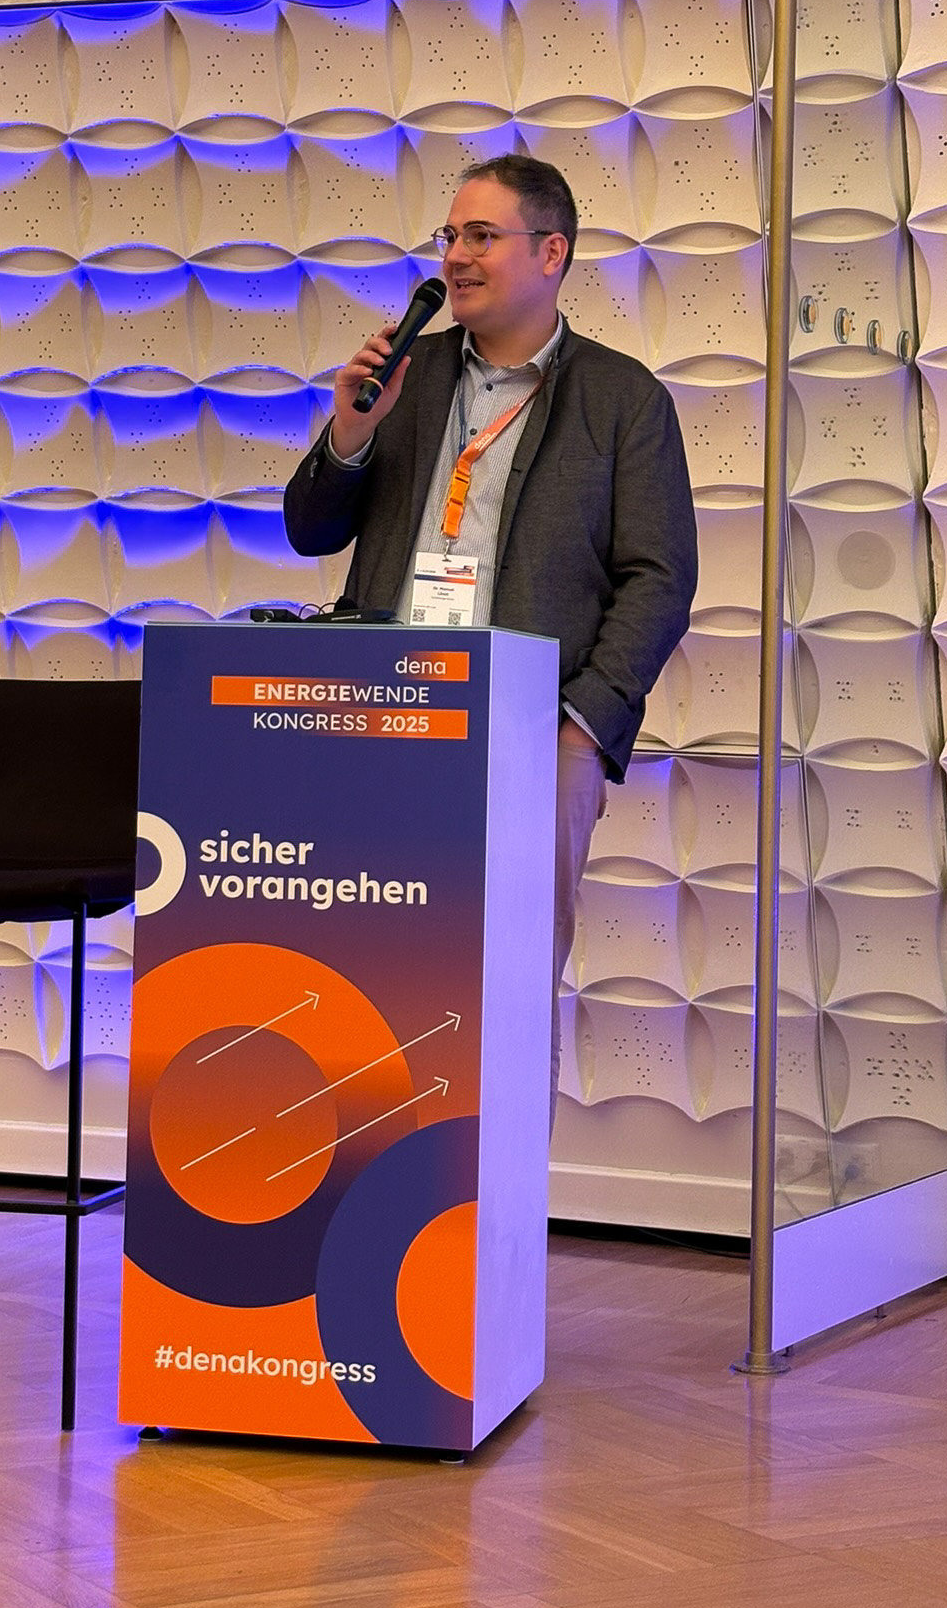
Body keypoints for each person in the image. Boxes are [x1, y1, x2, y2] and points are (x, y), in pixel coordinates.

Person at [283, 153, 697, 1111]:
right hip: (387, 715)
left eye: (482, 235)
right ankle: (377, 1165)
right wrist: (351, 432)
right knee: (370, 963)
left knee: (504, 979)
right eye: (450, 236)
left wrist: (582, 726)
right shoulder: (408, 376)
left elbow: (660, 577)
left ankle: (491, 1188)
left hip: (532, 732)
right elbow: (311, 529)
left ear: (551, 253)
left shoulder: (622, 398)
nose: (456, 256)